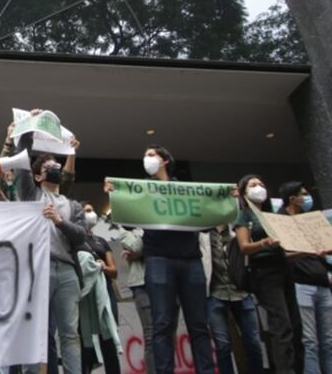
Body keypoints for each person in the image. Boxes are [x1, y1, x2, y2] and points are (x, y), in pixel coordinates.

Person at [10, 124, 87, 374]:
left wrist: (60, 221)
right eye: (48, 167)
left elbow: (81, 237)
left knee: (70, 334)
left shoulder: (72, 205)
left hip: (67, 273)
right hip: (38, 269)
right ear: (38, 176)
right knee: (37, 332)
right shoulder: (30, 194)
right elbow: (21, 162)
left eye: (57, 165)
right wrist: (27, 130)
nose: (54, 168)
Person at [135, 146, 214, 374]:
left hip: (190, 260)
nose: (146, 159)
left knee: (199, 325)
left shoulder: (185, 189)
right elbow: (128, 222)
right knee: (161, 325)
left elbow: (207, 222)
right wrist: (114, 193)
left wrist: (226, 201)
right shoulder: (141, 191)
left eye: (151, 155)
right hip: (158, 259)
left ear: (165, 160)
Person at [234, 174, 300, 374]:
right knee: (281, 325)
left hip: (284, 269)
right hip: (264, 272)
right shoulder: (244, 216)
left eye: (261, 183)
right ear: (244, 193)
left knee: (294, 324)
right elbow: (244, 247)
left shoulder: (274, 215)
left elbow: (288, 248)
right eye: (253, 185)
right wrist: (264, 243)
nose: (259, 187)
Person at [278, 180, 332, 374]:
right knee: (310, 341)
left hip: (322, 283)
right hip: (300, 285)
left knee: (329, 341)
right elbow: (281, 256)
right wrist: (306, 252)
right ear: (292, 199)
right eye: (303, 194)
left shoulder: (311, 220)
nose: (307, 198)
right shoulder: (279, 222)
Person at [201, 223, 265, 374]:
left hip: (241, 292)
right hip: (215, 293)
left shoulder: (238, 229)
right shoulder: (202, 233)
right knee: (222, 346)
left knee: (253, 342)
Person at [80, 202, 122, 374]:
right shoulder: (74, 240)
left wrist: (103, 267)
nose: (92, 214)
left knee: (109, 341)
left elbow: (114, 272)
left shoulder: (101, 241)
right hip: (84, 297)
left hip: (105, 295)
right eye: (87, 211)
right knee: (85, 344)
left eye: (92, 210)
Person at [110, 223, 155, 374]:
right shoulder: (124, 231)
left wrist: (141, 251)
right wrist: (142, 250)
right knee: (151, 335)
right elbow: (137, 247)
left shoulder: (149, 227)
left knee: (164, 333)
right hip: (141, 285)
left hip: (161, 282)